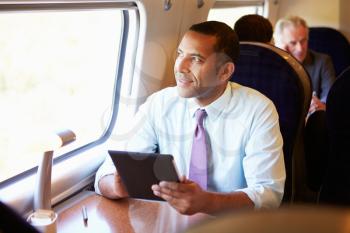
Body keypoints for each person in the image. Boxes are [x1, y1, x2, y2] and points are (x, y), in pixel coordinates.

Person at [95, 21, 286, 215]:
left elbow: (269, 195)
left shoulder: (258, 109)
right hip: (169, 220)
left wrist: (207, 202)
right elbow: (107, 172)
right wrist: (116, 186)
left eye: (196, 59)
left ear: (225, 72)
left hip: (231, 223)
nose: (180, 66)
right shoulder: (159, 103)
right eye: (180, 54)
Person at [273, 15, 336, 113]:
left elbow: (330, 99)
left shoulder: (323, 61)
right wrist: (281, 59)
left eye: (303, 41)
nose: (300, 49)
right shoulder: (273, 66)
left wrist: (320, 105)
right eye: (293, 43)